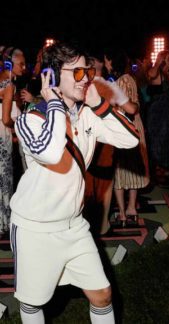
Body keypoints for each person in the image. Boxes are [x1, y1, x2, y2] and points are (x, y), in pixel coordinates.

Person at [10, 41, 139, 324]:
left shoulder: (88, 114)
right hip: (36, 228)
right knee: (33, 303)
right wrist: (55, 102)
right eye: (78, 73)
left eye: (88, 73)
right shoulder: (31, 117)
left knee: (102, 294)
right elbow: (51, 151)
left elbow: (131, 139)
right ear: (53, 77)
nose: (87, 79)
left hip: (75, 226)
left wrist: (100, 104)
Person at [105, 48, 149, 226]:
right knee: (132, 169)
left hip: (123, 126)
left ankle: (122, 213)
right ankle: (132, 207)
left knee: (120, 171)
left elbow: (124, 108)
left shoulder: (121, 81)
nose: (106, 63)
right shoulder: (129, 78)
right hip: (135, 126)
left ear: (112, 62)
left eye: (107, 60)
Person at [0, 47, 25, 236]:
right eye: (21, 64)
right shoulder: (8, 84)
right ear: (10, 63)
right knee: (4, 179)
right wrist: (22, 123)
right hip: (2, 133)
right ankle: (3, 223)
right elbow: (6, 119)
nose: (24, 67)